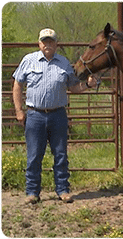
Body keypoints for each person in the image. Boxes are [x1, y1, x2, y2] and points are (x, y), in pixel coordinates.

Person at [12, 28, 96, 204]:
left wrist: (87, 86)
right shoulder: (29, 60)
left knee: (61, 155)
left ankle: (63, 190)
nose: (47, 45)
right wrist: (19, 110)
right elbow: (17, 85)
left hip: (58, 115)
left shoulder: (64, 63)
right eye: (45, 41)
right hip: (35, 115)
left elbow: (73, 87)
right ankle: (32, 192)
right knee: (34, 155)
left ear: (56, 44)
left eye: (51, 41)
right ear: (39, 43)